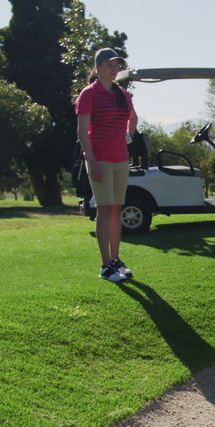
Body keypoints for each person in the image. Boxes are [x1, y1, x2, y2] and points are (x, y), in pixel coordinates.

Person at [76, 47, 137, 282]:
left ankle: (116, 260)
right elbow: (82, 131)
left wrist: (129, 136)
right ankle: (105, 266)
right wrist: (92, 161)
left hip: (121, 159)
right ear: (98, 67)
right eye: (109, 65)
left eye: (116, 66)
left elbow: (133, 118)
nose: (114, 70)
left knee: (116, 209)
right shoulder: (88, 94)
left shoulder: (123, 94)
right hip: (99, 159)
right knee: (103, 210)